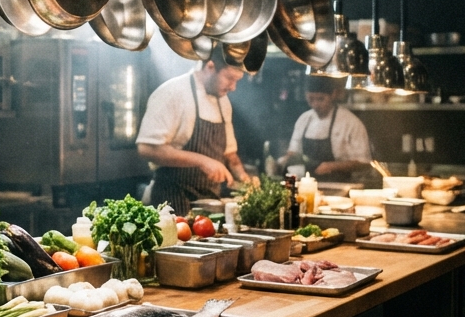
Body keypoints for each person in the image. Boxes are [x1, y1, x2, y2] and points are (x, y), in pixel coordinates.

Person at [136, 52, 256, 214]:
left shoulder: (223, 101)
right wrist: (203, 161)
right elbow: (147, 148)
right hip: (172, 200)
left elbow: (230, 154)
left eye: (236, 81)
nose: (233, 87)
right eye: (229, 78)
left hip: (209, 203)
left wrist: (244, 179)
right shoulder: (173, 92)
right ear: (210, 66)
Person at [278, 75, 371, 178]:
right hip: (308, 185)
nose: (315, 105)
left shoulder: (351, 123)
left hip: (341, 185)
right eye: (311, 99)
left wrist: (332, 166)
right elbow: (294, 153)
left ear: (333, 94)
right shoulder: (304, 120)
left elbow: (364, 163)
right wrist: (281, 162)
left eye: (320, 99)